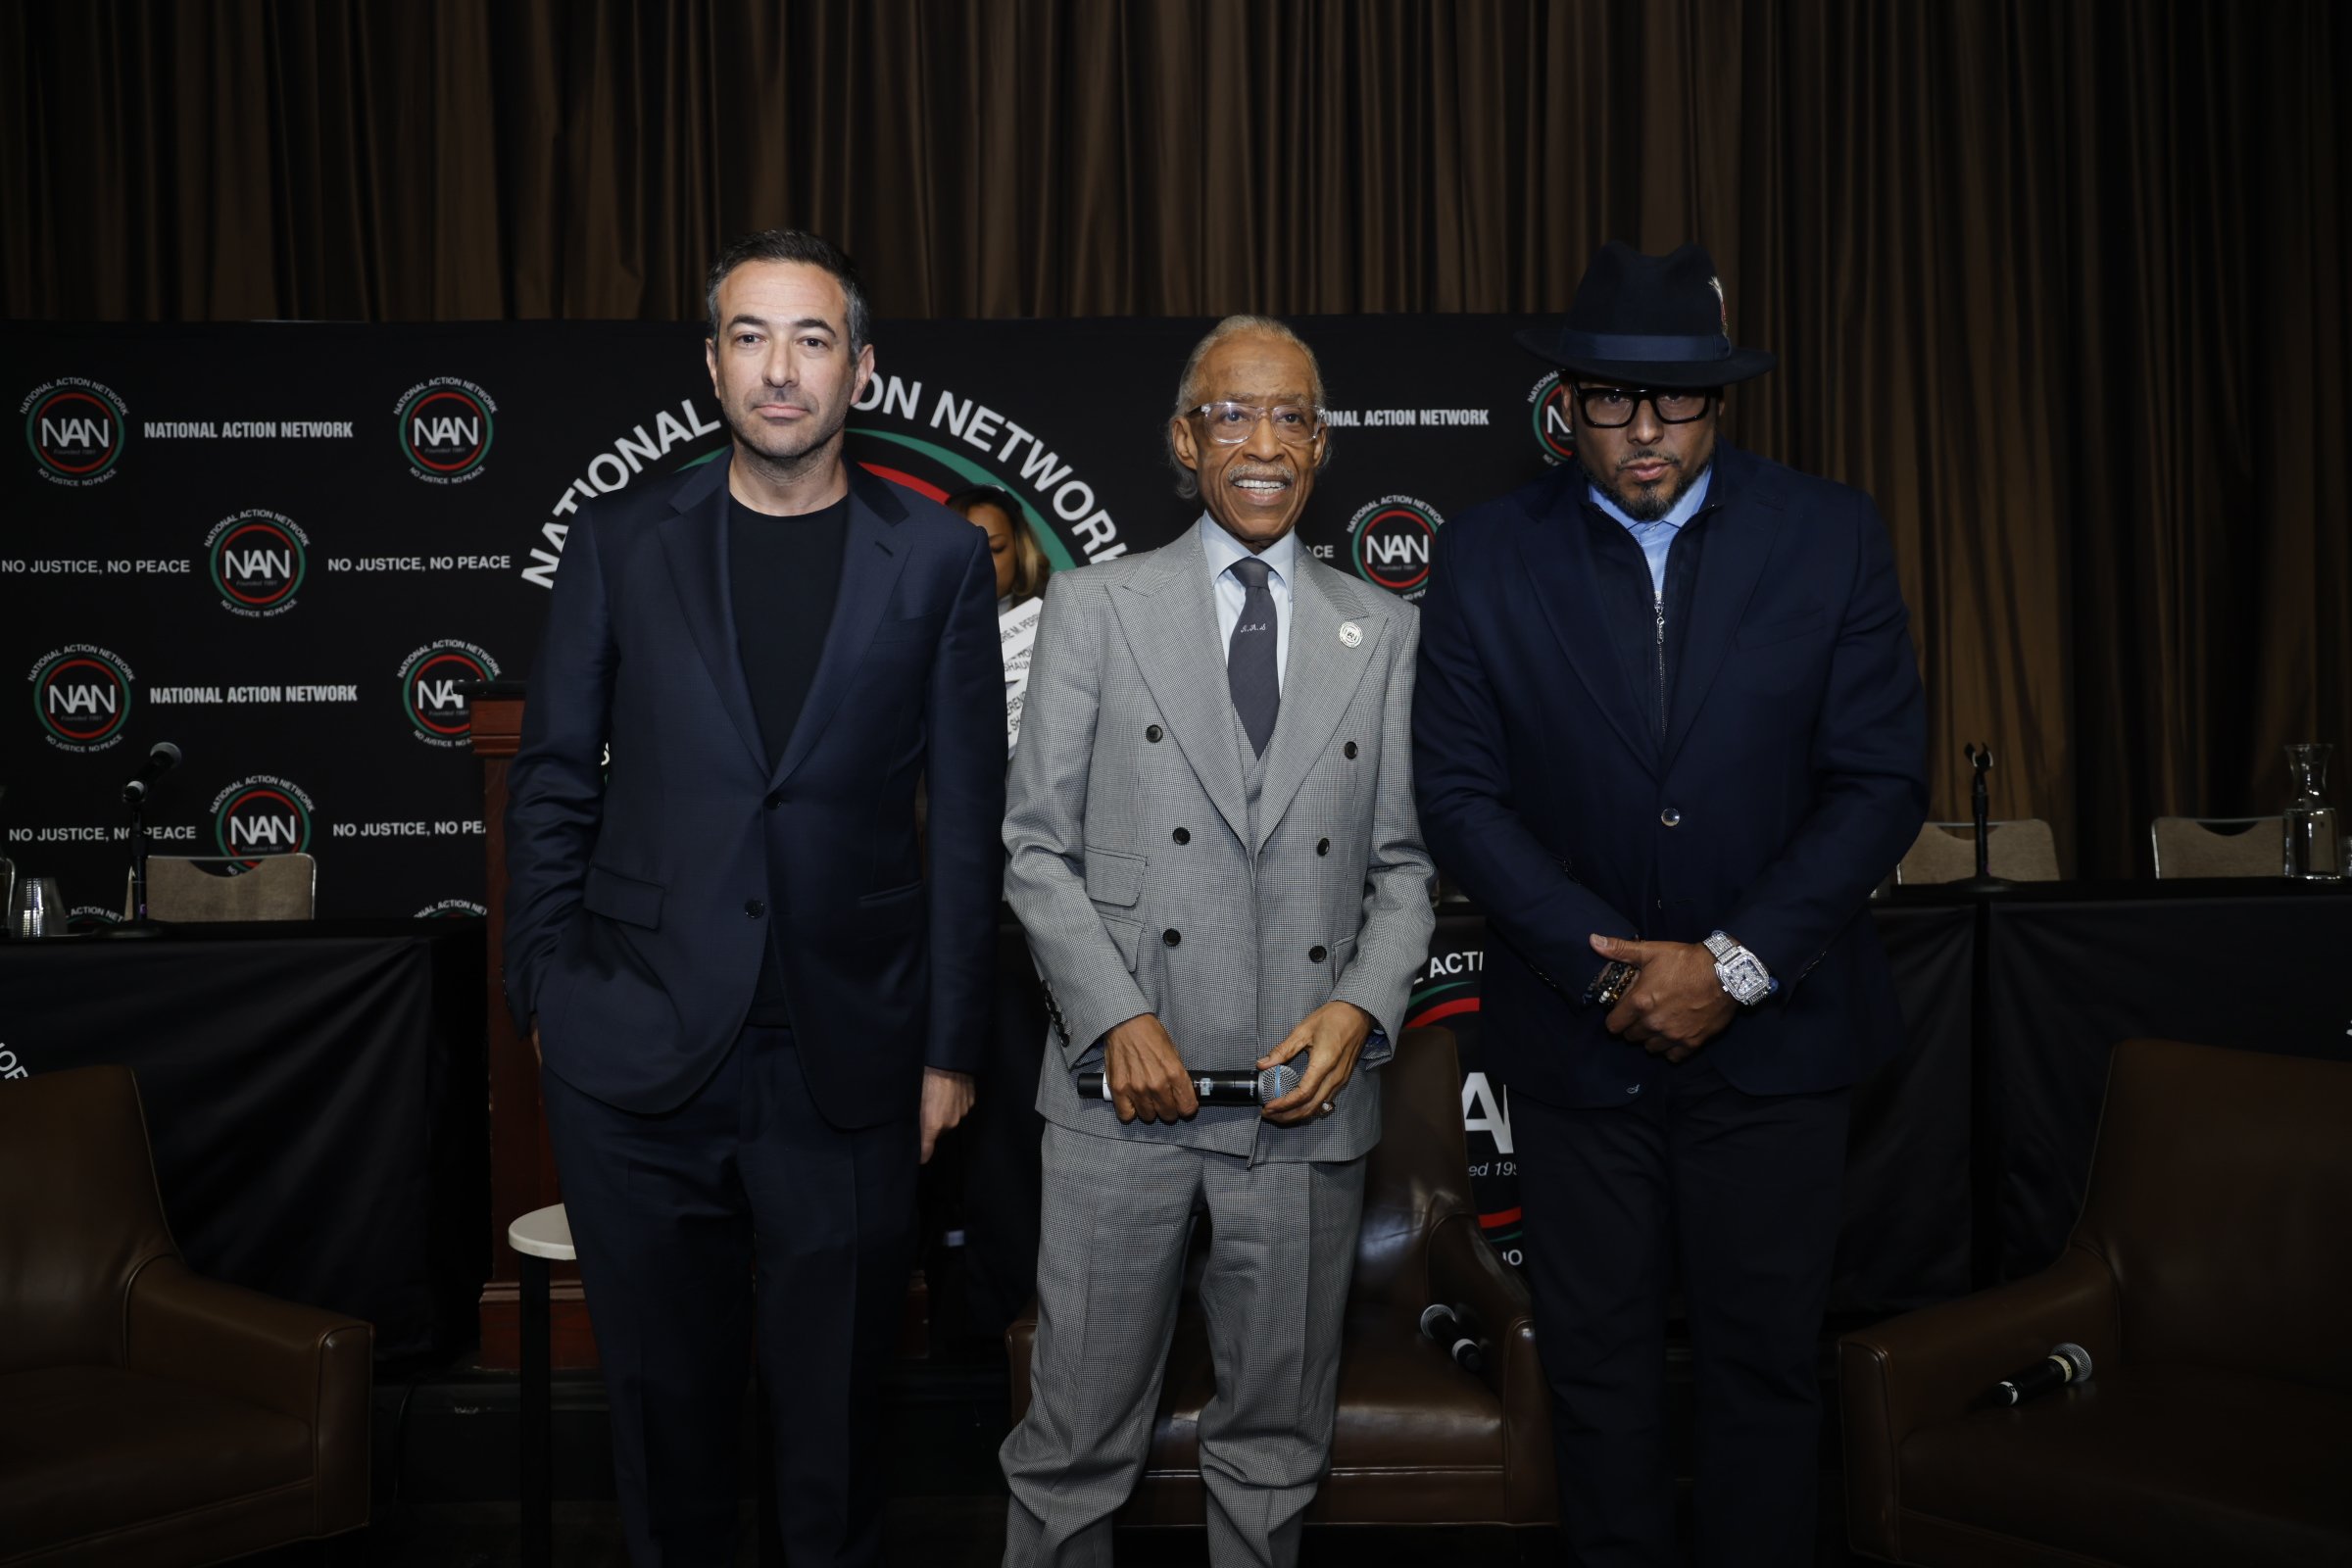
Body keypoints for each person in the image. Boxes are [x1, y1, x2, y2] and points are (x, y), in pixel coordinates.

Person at [1412, 242, 1929, 1567]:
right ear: (1567, 401)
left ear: (1721, 397)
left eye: (1678, 399)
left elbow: (1878, 782)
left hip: (1779, 1044)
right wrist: (1614, 975)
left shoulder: (1830, 533)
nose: (1646, 432)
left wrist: (1734, 966)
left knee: (1765, 1373)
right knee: (1597, 1378)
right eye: (1612, 399)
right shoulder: (1487, 554)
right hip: (1577, 1046)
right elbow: (1459, 797)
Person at [503, 227, 1004, 1567]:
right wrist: (544, 989)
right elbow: (552, 779)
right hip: (635, 1057)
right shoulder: (622, 541)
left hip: (850, 1067)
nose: (781, 370)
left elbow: (969, 822)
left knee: (833, 1445)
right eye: (751, 337)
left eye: (812, 339)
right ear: (713, 365)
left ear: (862, 370)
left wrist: (951, 1050)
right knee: (665, 1433)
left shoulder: (939, 559)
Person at [998, 316, 1436, 1567]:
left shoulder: (1381, 628)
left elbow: (1405, 869)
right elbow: (1035, 849)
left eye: (1291, 416)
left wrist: (1359, 1007)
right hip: (1123, 1106)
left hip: (1301, 1110)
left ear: (1322, 445)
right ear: (1186, 441)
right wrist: (1116, 1018)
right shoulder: (1095, 606)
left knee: (1274, 1454)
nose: (1263, 443)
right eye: (1232, 415)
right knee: (1073, 1448)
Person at [946, 483, 1054, 612]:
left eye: (996, 548)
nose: (980, 564)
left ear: (1020, 549)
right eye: (964, 551)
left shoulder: (1058, 613)